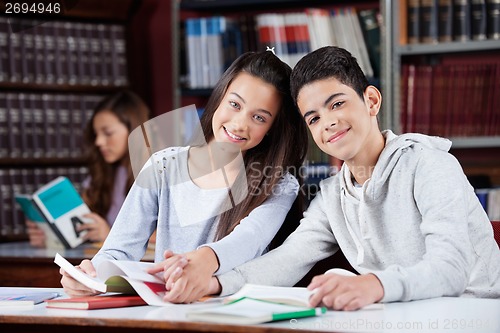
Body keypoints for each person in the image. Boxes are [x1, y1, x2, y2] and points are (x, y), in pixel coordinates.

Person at [166, 46, 500, 308]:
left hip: (475, 312)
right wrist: (217, 284)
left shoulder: (430, 166)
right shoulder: (331, 196)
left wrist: (375, 285)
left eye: (337, 104)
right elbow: (288, 259)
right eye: (313, 118)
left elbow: (451, 269)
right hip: (403, 314)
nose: (327, 123)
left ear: (370, 100)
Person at [59, 51, 308, 298]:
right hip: (169, 311)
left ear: (271, 129)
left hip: (237, 315)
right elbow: (118, 251)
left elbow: (249, 239)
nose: (240, 123)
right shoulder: (163, 166)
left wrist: (202, 261)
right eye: (235, 104)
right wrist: (90, 275)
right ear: (219, 96)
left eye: (259, 117)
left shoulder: (280, 183)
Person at [26, 90, 150, 247]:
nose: (98, 142)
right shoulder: (101, 176)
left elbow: (169, 236)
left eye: (108, 133)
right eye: (96, 134)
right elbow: (83, 229)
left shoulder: (160, 174)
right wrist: (49, 237)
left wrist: (110, 234)